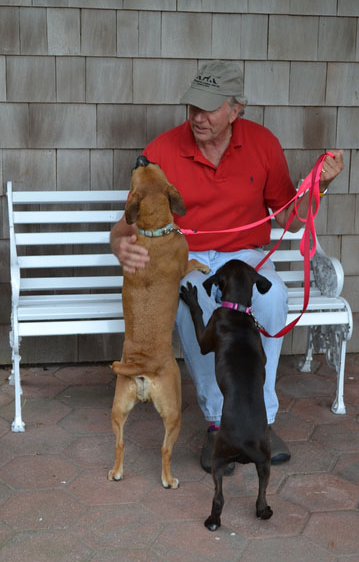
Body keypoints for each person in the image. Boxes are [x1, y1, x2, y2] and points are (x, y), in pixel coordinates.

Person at [110, 60, 344, 473]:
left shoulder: (263, 144)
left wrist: (320, 183)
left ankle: (260, 420)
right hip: (188, 257)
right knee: (192, 300)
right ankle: (219, 424)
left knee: (272, 299)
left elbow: (297, 213)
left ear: (236, 110)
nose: (197, 117)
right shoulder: (162, 151)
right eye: (193, 107)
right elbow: (124, 225)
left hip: (245, 257)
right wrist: (119, 246)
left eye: (209, 109)